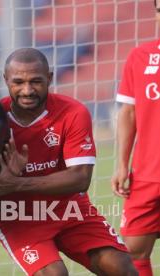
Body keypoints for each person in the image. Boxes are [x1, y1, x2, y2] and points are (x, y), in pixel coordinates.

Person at [0, 48, 137, 275]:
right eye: (18, 82)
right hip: (15, 214)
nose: (27, 90)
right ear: (5, 80)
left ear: (49, 78)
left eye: (36, 81)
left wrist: (18, 183)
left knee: (121, 267)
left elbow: (80, 178)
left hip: (69, 208)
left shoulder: (72, 112)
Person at [111, 1, 160, 275]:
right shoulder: (140, 56)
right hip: (147, 175)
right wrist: (121, 164)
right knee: (132, 253)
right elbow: (128, 112)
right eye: (159, 9)